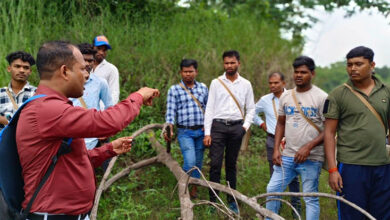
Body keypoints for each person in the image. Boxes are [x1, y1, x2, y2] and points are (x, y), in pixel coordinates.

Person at [16, 41, 159, 219]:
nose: (87, 75)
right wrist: (137, 97)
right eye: (83, 69)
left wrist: (108, 150)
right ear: (64, 71)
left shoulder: (51, 107)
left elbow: (72, 161)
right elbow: (107, 121)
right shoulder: (47, 110)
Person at [323, 46, 390, 220]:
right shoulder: (338, 95)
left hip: (383, 165)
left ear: (372, 65)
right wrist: (332, 170)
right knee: (351, 214)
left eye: (359, 64)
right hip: (351, 166)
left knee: (382, 214)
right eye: (349, 64)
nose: (353, 68)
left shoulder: (386, 92)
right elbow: (329, 134)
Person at [266, 56, 327, 220]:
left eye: (304, 72)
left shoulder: (321, 97)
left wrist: (308, 147)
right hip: (287, 156)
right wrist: (276, 149)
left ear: (312, 74)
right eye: (296, 72)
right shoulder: (286, 97)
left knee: (310, 198)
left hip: (312, 158)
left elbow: (329, 129)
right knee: (272, 189)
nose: (299, 75)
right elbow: (280, 124)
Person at [203, 50, 255, 213]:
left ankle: (231, 200)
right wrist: (207, 132)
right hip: (218, 127)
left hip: (236, 128)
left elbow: (251, 108)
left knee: (231, 165)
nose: (229, 66)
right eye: (226, 63)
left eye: (232, 63)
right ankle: (214, 201)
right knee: (215, 165)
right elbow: (209, 108)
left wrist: (244, 127)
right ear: (223, 64)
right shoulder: (216, 82)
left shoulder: (246, 84)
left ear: (239, 63)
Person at [253, 72, 301, 216]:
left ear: (283, 83)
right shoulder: (265, 100)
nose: (273, 86)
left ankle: (296, 207)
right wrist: (261, 123)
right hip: (273, 140)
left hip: (292, 141)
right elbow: (252, 112)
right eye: (270, 83)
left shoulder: (294, 97)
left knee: (294, 174)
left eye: (276, 83)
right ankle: (275, 208)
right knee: (275, 173)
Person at [164, 59, 208, 198]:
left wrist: (208, 129)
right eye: (185, 72)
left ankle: (194, 188)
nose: (188, 74)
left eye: (191, 71)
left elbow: (209, 109)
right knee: (190, 161)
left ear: (196, 72)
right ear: (181, 72)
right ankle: (183, 185)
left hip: (201, 131)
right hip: (185, 132)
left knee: (198, 162)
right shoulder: (174, 89)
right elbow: (171, 112)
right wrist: (169, 128)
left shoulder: (203, 88)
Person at [70, 43, 113, 150]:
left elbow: (109, 107)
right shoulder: (67, 83)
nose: (87, 64)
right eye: (84, 60)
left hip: (93, 141)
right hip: (71, 140)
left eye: (91, 61)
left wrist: (106, 130)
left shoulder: (100, 83)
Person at [0, 51, 36, 129]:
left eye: (26, 68)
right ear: (9, 69)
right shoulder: (0, 94)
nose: (22, 70)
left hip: (27, 140)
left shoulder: (37, 94)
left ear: (30, 71)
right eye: (17, 66)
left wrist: (4, 120)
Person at [91, 35, 120, 104]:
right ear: (92, 48)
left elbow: (114, 93)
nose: (101, 52)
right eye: (98, 48)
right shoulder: (84, 66)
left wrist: (107, 111)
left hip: (103, 111)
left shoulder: (111, 69)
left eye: (104, 50)